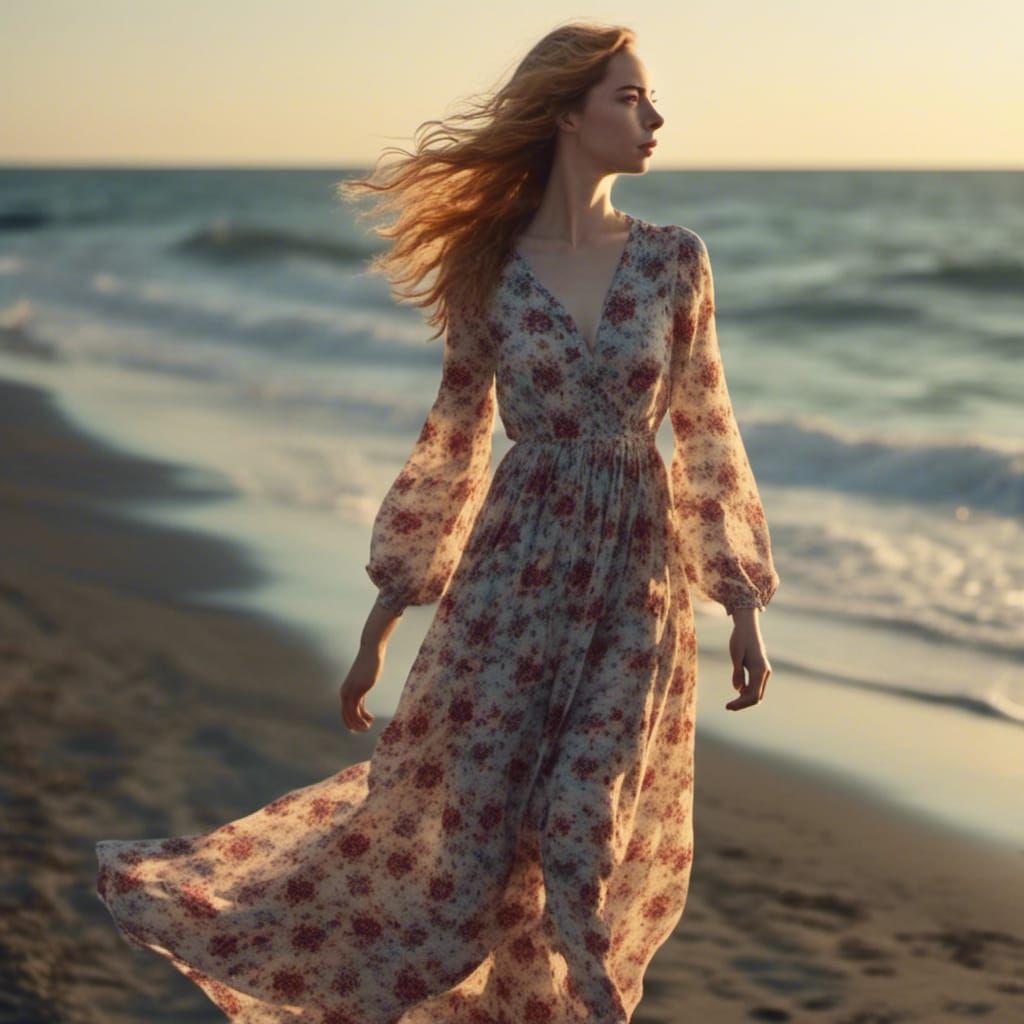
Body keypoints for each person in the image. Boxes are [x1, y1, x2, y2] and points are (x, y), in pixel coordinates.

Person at [95, 20, 779, 1023]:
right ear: (565, 114)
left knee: (584, 830)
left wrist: (741, 598)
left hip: (633, 587)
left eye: (647, 98)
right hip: (511, 584)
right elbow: (454, 441)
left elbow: (706, 427)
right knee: (475, 863)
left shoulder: (677, 260)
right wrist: (385, 615)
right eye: (630, 97)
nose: (654, 116)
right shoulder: (487, 270)